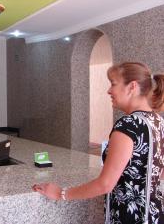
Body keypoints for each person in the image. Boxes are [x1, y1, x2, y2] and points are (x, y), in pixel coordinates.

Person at [33, 62, 164, 223]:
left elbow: (105, 184)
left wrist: (61, 193)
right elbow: (160, 171)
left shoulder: (128, 125)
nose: (109, 90)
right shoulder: (158, 122)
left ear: (132, 87)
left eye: (113, 84)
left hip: (129, 217)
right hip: (154, 214)